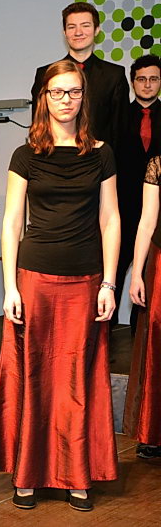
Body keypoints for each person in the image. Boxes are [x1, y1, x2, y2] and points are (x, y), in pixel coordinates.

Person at [0, 60, 120, 512]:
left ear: (84, 97)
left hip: (85, 279)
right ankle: (28, 474)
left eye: (74, 92)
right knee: (35, 377)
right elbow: (11, 224)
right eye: (58, 92)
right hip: (35, 278)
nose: (67, 100)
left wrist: (109, 282)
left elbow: (111, 219)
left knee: (77, 379)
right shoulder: (25, 154)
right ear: (44, 97)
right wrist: (10, 287)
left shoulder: (101, 152)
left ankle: (77, 475)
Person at [30, 1, 128, 153]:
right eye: (71, 27)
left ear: (97, 30)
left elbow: (120, 132)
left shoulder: (114, 75)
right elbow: (39, 123)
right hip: (53, 157)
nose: (78, 32)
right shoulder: (45, 74)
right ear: (64, 32)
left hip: (98, 159)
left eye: (85, 25)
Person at [115, 54, 161, 330]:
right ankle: (105, 331)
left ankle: (140, 333)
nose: (147, 84)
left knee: (150, 274)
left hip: (157, 212)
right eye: (141, 79)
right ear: (133, 82)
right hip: (122, 207)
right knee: (115, 269)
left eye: (153, 79)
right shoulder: (118, 116)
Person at [125, 156, 161, 458]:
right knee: (157, 347)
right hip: (160, 266)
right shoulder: (158, 165)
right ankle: (155, 432)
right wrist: (136, 272)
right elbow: (147, 222)